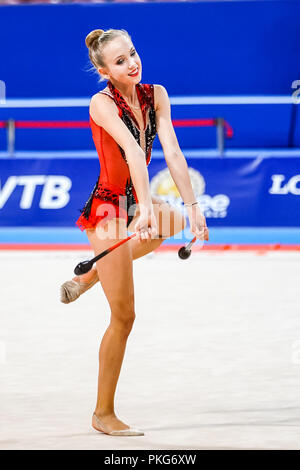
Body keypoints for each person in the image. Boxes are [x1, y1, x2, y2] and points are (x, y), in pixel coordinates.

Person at [60, 28, 209, 436]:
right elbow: (130, 151)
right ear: (104, 69)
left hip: (133, 201)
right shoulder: (101, 103)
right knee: (124, 317)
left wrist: (194, 206)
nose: (132, 63)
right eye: (121, 61)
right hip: (109, 207)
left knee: (174, 221)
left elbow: (172, 151)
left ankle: (91, 275)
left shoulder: (155, 94)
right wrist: (142, 209)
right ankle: (102, 413)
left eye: (133, 54)